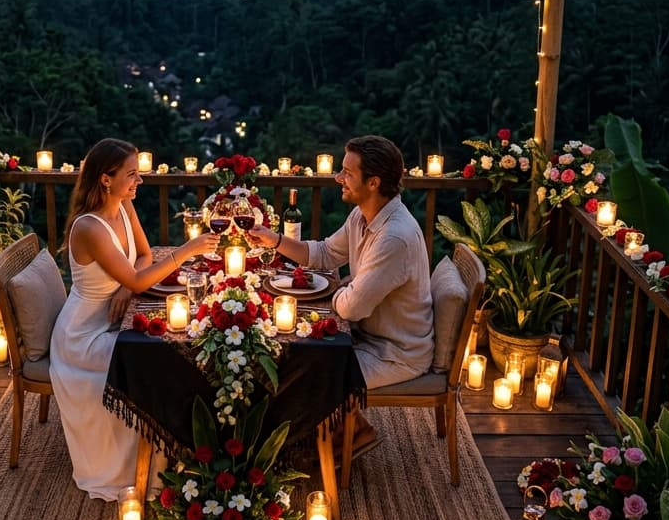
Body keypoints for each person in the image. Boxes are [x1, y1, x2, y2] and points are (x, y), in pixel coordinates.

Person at [49, 138, 218, 500]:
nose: (139, 181)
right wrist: (187, 250)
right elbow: (141, 276)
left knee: (169, 348)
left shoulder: (123, 205)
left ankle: (179, 445)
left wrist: (127, 287)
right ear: (105, 179)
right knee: (156, 358)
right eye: (131, 174)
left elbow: (144, 256)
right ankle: (151, 460)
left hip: (115, 316)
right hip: (83, 335)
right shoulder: (90, 227)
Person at [249, 134, 434, 455]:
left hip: (394, 353)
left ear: (373, 182)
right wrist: (274, 240)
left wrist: (341, 288)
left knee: (301, 370)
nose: (338, 178)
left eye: (347, 173)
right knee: (296, 353)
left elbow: (350, 309)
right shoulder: (363, 215)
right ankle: (342, 430)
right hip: (368, 334)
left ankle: (328, 440)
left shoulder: (394, 238)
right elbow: (324, 254)